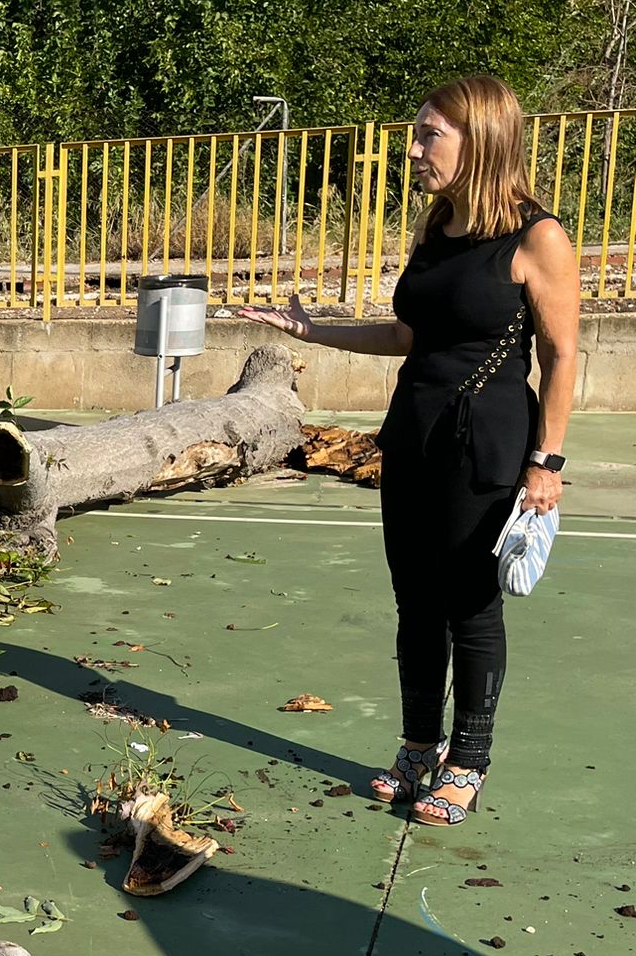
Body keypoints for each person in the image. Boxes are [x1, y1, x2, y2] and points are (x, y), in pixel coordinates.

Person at [239, 74, 578, 827]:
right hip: (416, 430)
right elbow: (407, 336)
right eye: (417, 134)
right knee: (415, 600)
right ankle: (419, 744)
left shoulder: (537, 238)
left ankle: (469, 761)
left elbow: (560, 355)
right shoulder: (436, 227)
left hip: (488, 441)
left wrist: (547, 462)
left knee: (471, 605)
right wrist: (310, 331)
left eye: (430, 135)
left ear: (480, 140)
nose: (414, 150)